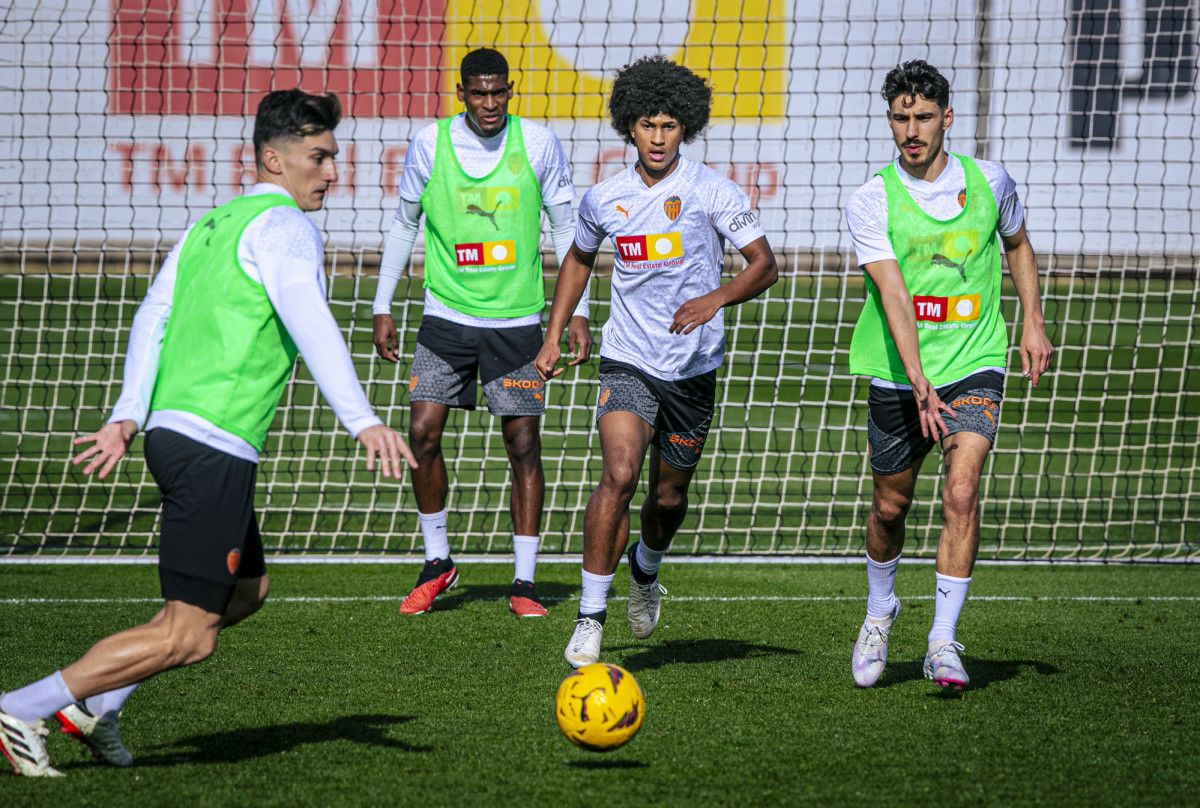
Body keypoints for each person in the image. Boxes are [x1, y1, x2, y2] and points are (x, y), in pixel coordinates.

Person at [0, 89, 416, 777]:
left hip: (174, 433)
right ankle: (25, 706)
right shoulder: (286, 228)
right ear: (273, 160)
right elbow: (312, 321)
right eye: (319, 157)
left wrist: (129, 414)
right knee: (189, 635)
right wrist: (363, 419)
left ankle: (97, 708)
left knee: (246, 592)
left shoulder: (211, 224)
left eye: (334, 157)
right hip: (212, 442)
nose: (333, 172)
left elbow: (151, 317)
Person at [534, 55, 779, 667]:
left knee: (668, 499)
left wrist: (714, 299)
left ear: (684, 128)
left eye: (669, 126)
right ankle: (591, 617)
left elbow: (764, 264)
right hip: (628, 359)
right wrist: (554, 332)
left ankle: (646, 566)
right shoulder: (605, 198)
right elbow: (579, 259)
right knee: (619, 473)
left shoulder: (712, 191)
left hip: (692, 370)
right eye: (648, 125)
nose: (659, 137)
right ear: (630, 128)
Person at [844, 60, 1054, 690]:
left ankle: (942, 641)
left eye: (924, 117)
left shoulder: (990, 180)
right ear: (890, 120)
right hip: (898, 371)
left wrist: (1032, 321)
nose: (912, 130)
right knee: (890, 506)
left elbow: (1015, 243)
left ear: (947, 118)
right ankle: (881, 610)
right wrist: (917, 382)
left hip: (976, 361)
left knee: (961, 491)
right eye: (901, 118)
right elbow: (894, 299)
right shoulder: (872, 198)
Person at [373, 48, 591, 618]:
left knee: (522, 443)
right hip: (446, 319)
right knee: (422, 432)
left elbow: (571, 231)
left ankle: (524, 582)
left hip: (518, 324)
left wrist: (577, 314)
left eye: (499, 93)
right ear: (462, 92)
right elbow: (404, 223)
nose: (490, 103)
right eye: (479, 93)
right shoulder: (430, 143)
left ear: (510, 90)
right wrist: (382, 304)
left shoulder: (539, 143)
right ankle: (437, 562)